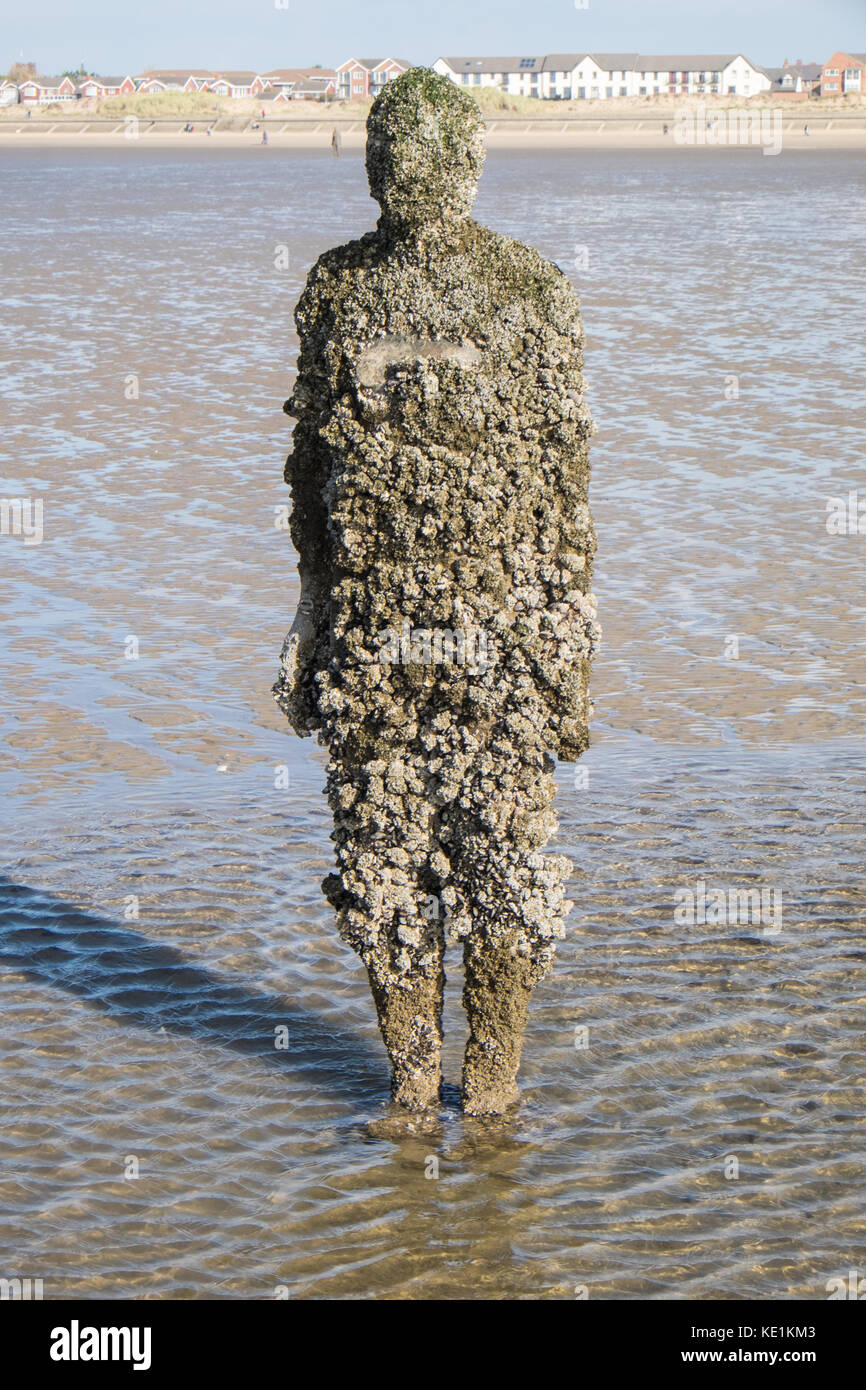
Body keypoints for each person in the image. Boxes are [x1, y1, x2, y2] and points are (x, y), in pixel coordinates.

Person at [275, 69, 598, 1114]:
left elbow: (563, 489)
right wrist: (308, 619)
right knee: (381, 871)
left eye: (424, 147)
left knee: (506, 870)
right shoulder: (335, 289)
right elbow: (310, 470)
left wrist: (566, 655)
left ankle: (492, 1090)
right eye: (388, 145)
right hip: (371, 644)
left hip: (499, 641)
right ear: (368, 163)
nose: (405, 165)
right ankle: (414, 1091)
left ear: (470, 159)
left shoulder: (531, 291)